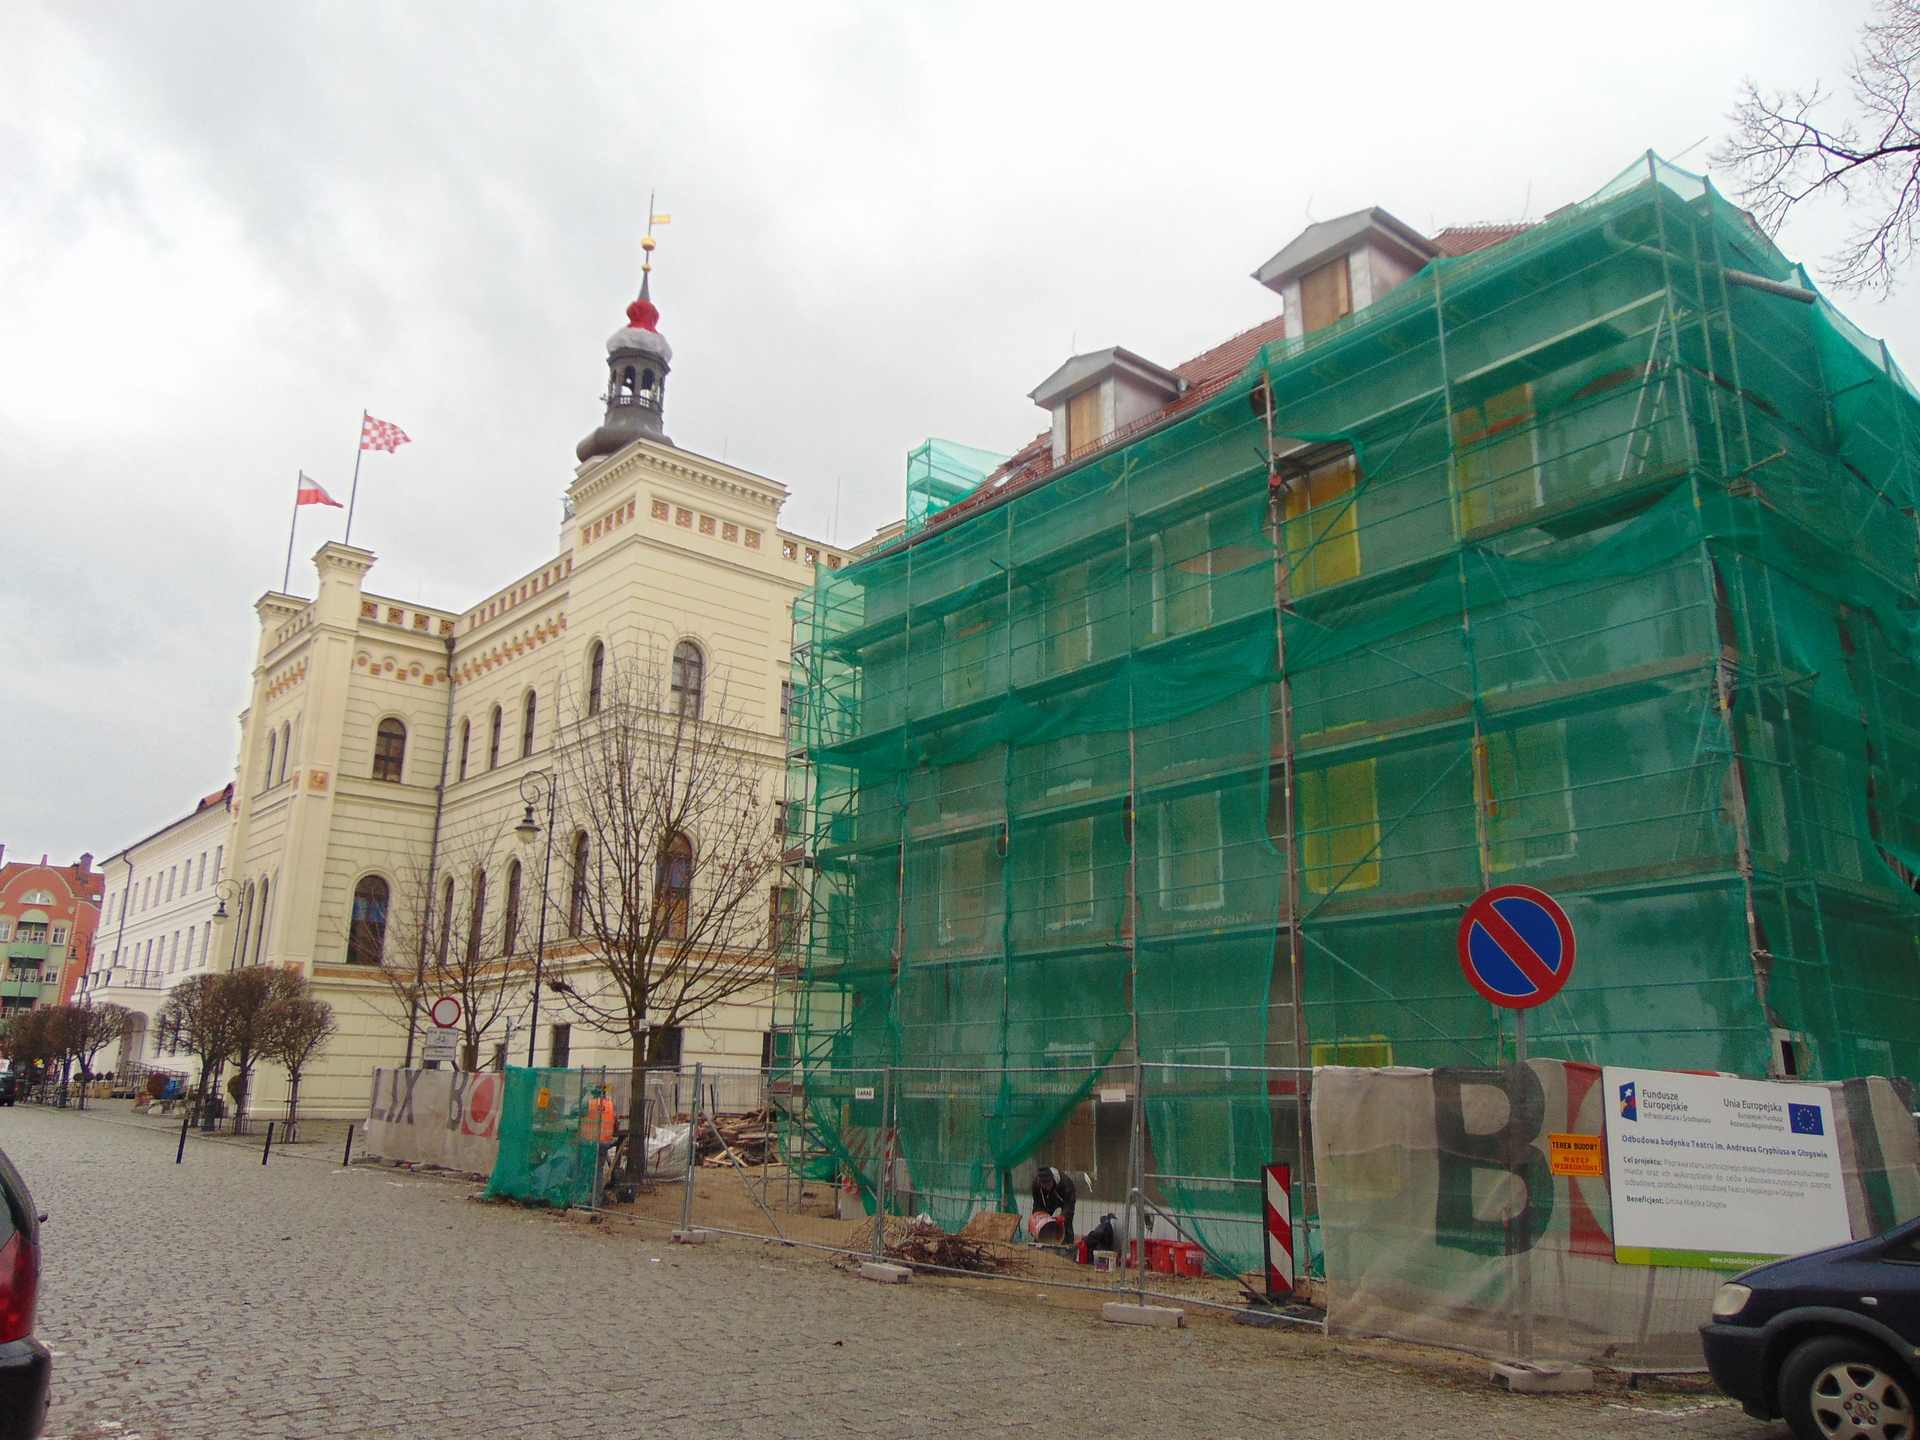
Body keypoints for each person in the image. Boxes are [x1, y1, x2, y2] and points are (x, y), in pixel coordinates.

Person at [1031, 1165, 1077, 1243]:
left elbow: (1070, 1203)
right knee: (1041, 1222)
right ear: (1040, 1183)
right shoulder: (1036, 1185)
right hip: (1047, 1200)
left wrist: (1063, 1216)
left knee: (1067, 1223)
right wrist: (1035, 1218)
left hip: (1064, 1199)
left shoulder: (1066, 1183)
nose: (1047, 1187)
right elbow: (1037, 1204)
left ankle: (1067, 1245)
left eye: (1049, 1184)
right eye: (1045, 1186)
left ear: (1053, 1180)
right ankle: (1039, 1242)